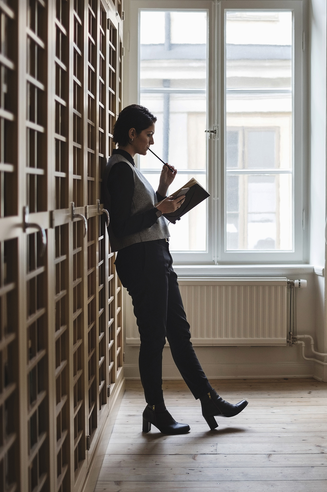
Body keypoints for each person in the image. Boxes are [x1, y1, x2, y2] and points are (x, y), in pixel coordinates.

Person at [102, 104, 247, 434]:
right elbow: (121, 228)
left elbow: (148, 214)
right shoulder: (120, 169)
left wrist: (164, 191)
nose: (151, 142)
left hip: (156, 256)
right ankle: (156, 409)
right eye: (148, 134)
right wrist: (158, 208)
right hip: (142, 260)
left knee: (178, 333)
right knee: (154, 338)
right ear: (132, 134)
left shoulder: (130, 167)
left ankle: (208, 399)